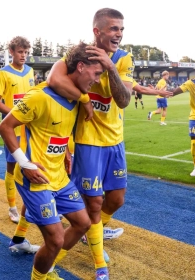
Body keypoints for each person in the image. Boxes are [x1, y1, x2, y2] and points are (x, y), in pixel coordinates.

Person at [0, 42, 104, 280]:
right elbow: (5, 127)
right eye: (96, 73)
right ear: (80, 67)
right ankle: (39, 277)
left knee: (83, 223)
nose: (97, 80)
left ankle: (47, 267)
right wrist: (25, 164)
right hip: (34, 178)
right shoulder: (39, 97)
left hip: (59, 177)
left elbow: (57, 133)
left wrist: (66, 151)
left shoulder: (76, 99)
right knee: (55, 239)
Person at [47, 8, 133, 280]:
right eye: (113, 29)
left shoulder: (124, 58)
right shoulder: (79, 54)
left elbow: (123, 100)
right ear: (97, 31)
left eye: (121, 29)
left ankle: (93, 233)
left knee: (116, 200)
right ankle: (98, 259)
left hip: (115, 140)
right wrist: (84, 100)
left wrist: (110, 67)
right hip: (88, 141)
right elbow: (54, 78)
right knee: (94, 203)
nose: (118, 34)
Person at [0, 36, 38, 253]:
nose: (23, 55)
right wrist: (15, 114)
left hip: (28, 130)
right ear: (11, 51)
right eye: (20, 51)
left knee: (31, 167)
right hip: (12, 129)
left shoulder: (29, 72)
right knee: (12, 169)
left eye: (26, 51)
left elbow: (33, 97)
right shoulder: (3, 73)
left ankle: (32, 206)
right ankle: (12, 207)